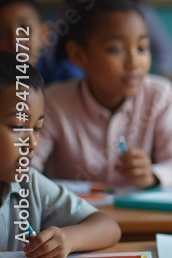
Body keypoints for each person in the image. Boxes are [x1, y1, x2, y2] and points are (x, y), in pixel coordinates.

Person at [31, 0, 172, 189]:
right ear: (78, 55)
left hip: (141, 215)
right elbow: (27, 168)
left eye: (142, 48)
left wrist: (152, 175)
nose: (133, 63)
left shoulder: (159, 95)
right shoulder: (54, 102)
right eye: (116, 49)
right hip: (75, 216)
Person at [0, 52, 120, 255]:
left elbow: (109, 226)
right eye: (18, 126)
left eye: (37, 128)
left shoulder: (28, 184)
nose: (32, 143)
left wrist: (68, 239)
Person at [0, 0, 53, 78]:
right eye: (2, 33)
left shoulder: (65, 78)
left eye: (24, 29)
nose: (15, 41)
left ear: (46, 33)